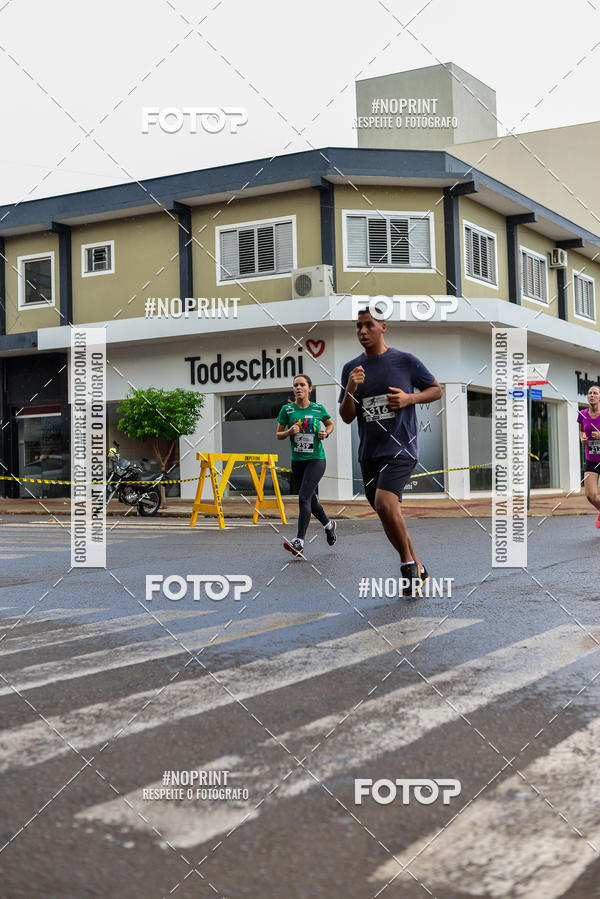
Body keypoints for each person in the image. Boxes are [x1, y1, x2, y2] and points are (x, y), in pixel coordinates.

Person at [339, 308, 442, 597]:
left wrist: (410, 398)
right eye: (358, 326)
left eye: (368, 325)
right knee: (388, 513)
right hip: (368, 452)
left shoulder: (404, 361)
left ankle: (407, 566)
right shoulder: (351, 369)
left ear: (383, 327)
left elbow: (436, 390)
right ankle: (420, 568)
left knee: (386, 504)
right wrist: (350, 389)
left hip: (401, 447)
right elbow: (346, 417)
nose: (362, 331)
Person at [276, 374, 336, 556]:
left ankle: (299, 542)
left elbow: (330, 424)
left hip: (316, 458)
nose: (298, 388)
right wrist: (289, 431)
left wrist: (326, 433)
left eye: (302, 385)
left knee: (303, 497)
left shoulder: (318, 408)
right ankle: (329, 525)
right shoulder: (287, 410)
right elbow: (278, 434)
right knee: (311, 499)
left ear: (310, 389)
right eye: (295, 385)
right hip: (297, 460)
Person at [577, 384, 600, 526]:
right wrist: (582, 437)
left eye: (595, 393)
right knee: (590, 495)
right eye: (590, 393)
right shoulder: (582, 414)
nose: (592, 395)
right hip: (591, 459)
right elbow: (582, 430)